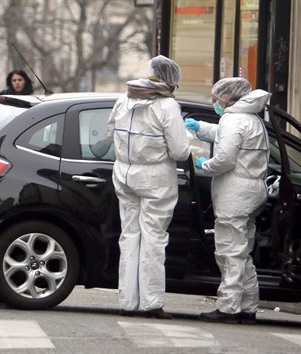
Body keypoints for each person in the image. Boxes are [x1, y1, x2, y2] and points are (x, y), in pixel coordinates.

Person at [106, 55, 190, 319]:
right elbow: (179, 151)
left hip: (124, 175)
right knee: (153, 239)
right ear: (170, 80)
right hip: (155, 181)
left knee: (129, 237)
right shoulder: (166, 106)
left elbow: (111, 133)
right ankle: (152, 302)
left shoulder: (124, 99)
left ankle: (127, 301)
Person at [185, 77, 271, 324]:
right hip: (253, 190)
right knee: (242, 251)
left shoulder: (233, 120)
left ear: (227, 97)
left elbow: (224, 158)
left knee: (229, 252)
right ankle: (248, 305)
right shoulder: (252, 119)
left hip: (236, 193)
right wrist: (199, 127)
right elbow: (225, 136)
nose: (215, 102)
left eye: (216, 98)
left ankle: (228, 307)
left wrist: (204, 164)